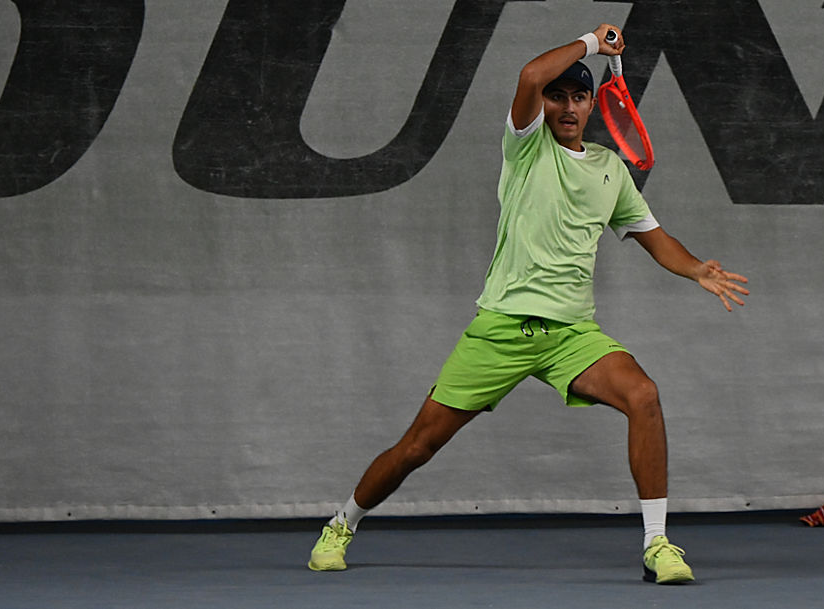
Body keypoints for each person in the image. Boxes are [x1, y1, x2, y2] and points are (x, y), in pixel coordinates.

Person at [307, 23, 749, 584]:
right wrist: (592, 42)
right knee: (418, 446)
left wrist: (696, 269)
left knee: (643, 394)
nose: (567, 106)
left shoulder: (610, 169)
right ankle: (342, 523)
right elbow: (530, 74)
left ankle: (657, 544)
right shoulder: (525, 147)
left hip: (571, 335)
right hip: (501, 328)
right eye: (556, 96)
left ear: (592, 104)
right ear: (544, 105)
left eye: (578, 96)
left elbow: (655, 238)